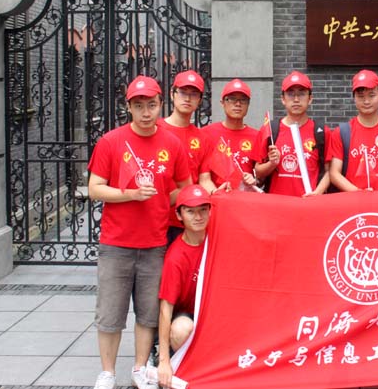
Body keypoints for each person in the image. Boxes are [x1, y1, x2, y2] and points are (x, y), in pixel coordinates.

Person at [88, 76, 191, 389]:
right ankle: (107, 372)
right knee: (110, 312)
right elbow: (95, 188)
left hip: (154, 243)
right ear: (129, 107)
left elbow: (184, 188)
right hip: (116, 243)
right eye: (139, 105)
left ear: (160, 104)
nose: (146, 112)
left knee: (148, 313)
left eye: (151, 105)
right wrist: (130, 194)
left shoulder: (172, 144)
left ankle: (139, 368)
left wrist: (161, 199)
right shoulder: (111, 142)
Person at [156, 184, 211, 389]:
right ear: (179, 215)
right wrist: (164, 361)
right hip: (188, 315)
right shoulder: (175, 257)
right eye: (190, 211)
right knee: (181, 329)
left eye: (203, 210)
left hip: (214, 312)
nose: (198, 217)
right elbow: (165, 309)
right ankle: (179, 359)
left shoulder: (217, 241)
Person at [328, 69, 378, 191]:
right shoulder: (341, 132)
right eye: (361, 96)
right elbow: (334, 173)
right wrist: (358, 193)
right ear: (354, 98)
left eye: (372, 95)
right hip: (352, 200)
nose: (366, 101)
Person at [253, 71, 331, 196]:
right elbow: (257, 172)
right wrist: (272, 163)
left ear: (310, 98)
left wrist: (317, 193)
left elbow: (329, 171)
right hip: (277, 203)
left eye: (301, 94)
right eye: (290, 94)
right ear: (283, 99)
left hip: (308, 202)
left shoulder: (321, 131)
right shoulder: (270, 130)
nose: (296, 99)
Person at [157, 70, 209, 244]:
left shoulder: (202, 137)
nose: (187, 98)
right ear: (172, 94)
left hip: (188, 220)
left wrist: (221, 193)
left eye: (193, 94)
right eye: (183, 92)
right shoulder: (155, 129)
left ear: (200, 100)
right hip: (158, 218)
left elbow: (204, 179)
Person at [199, 78, 259, 193]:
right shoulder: (206, 133)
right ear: (222, 103)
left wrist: (255, 179)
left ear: (248, 104)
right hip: (216, 198)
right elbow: (204, 178)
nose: (238, 104)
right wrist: (216, 193)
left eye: (243, 100)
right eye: (232, 99)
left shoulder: (256, 136)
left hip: (246, 199)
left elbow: (261, 176)